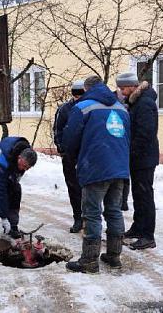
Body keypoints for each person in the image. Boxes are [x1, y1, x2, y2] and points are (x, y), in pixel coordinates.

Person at [62, 76, 130, 273]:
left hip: (96, 166)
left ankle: (89, 261)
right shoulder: (121, 108)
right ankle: (114, 256)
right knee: (114, 211)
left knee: (92, 213)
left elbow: (70, 139)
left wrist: (74, 158)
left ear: (86, 89)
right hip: (119, 166)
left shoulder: (83, 107)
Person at [116, 73, 160, 250]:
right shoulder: (136, 102)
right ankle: (138, 228)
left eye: (123, 88)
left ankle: (148, 235)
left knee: (145, 196)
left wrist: (130, 151)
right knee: (138, 195)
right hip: (138, 157)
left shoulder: (144, 104)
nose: (121, 91)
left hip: (144, 158)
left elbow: (145, 134)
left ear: (132, 86)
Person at [53, 80, 86, 233]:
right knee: (73, 187)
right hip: (69, 155)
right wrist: (61, 147)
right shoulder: (64, 109)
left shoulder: (88, 108)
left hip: (86, 154)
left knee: (88, 187)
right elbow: (58, 129)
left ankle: (89, 218)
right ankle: (77, 218)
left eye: (81, 94)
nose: (78, 97)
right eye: (75, 94)